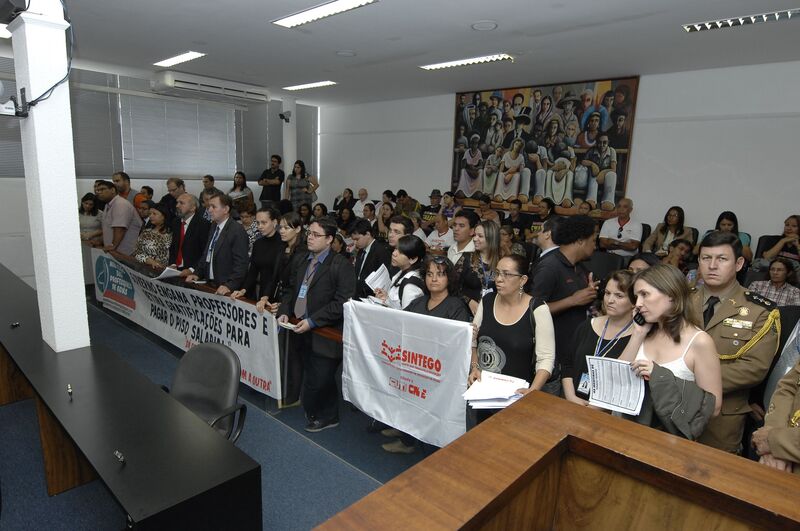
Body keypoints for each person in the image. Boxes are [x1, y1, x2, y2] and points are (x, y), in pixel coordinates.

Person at [691, 231, 781, 453]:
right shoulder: (680, 300)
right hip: (671, 404)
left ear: (739, 264)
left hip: (723, 417)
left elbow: (754, 368)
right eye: (706, 258)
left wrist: (686, 377)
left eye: (722, 259)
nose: (712, 266)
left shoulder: (760, 311)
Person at [382, 255, 473, 454]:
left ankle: (429, 448)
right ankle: (406, 436)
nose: (434, 279)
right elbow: (401, 324)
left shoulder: (456, 306)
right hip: (415, 364)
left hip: (438, 371)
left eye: (440, 274)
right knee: (409, 400)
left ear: (449, 278)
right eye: (430, 274)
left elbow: (458, 344)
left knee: (432, 409)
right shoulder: (418, 302)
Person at [277, 217, 356, 432]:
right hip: (299, 328)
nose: (310, 238)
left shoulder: (341, 265)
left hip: (326, 332)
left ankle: (328, 416)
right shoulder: (302, 259)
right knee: (310, 373)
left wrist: (313, 321)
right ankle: (318, 411)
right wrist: (285, 311)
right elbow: (291, 290)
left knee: (321, 378)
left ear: (329, 239)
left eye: (316, 235)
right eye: (309, 233)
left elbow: (342, 303)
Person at [620, 264, 722, 428]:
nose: (638, 303)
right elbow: (616, 378)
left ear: (671, 294)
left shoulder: (700, 342)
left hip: (666, 435)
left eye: (645, 294)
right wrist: (638, 334)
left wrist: (660, 376)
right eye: (636, 296)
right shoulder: (643, 332)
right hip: (624, 427)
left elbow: (714, 407)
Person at [469, 254, 556, 423]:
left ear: (523, 280)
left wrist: (533, 390)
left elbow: (546, 358)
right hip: (483, 393)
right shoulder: (487, 301)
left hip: (518, 396)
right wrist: (474, 367)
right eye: (497, 273)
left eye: (506, 274)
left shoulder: (537, 309)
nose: (499, 279)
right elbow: (473, 341)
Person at [531, 215, 599, 395]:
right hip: (554, 357)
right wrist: (572, 300)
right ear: (580, 240)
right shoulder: (549, 267)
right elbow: (531, 311)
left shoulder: (580, 268)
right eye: (593, 240)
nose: (595, 246)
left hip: (573, 351)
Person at [565, 270, 635, 406]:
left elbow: (625, 384)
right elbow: (568, 364)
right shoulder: (588, 325)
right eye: (607, 293)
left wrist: (595, 408)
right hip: (572, 402)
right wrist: (571, 397)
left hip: (607, 410)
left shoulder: (637, 337)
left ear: (634, 302)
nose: (610, 300)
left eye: (619, 296)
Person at [185, 192, 250, 295]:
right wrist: (197, 273)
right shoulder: (214, 226)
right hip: (211, 284)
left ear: (226, 209)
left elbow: (241, 264)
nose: (209, 210)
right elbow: (207, 254)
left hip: (226, 288)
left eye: (213, 207)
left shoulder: (237, 231)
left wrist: (230, 285)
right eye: (209, 207)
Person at [753, 359, 800, 473]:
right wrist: (773, 431)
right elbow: (788, 388)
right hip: (780, 466)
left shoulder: (774, 441)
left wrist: (775, 441)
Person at [230, 207, 284, 301]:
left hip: (277, 295)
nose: (260, 226)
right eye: (258, 223)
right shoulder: (258, 243)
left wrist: (266, 296)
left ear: (274, 222)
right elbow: (253, 271)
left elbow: (276, 276)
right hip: (261, 293)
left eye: (264, 223)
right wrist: (243, 290)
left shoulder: (282, 244)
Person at [453, 221, 501, 315]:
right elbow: (451, 286)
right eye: (475, 235)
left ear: (492, 238)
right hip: (465, 312)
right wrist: (469, 301)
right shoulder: (467, 258)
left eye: (480, 236)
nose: (474, 239)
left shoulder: (502, 262)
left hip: (491, 314)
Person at [374, 235, 426, 310]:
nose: (394, 253)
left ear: (413, 259)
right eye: (395, 249)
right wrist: (386, 298)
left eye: (401, 252)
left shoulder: (410, 285)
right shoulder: (402, 271)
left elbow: (406, 315)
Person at [95, 179, 142, 255]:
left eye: (102, 189)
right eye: (98, 190)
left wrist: (113, 246)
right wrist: (100, 241)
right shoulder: (108, 205)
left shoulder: (120, 204)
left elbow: (120, 228)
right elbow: (108, 228)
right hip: (115, 251)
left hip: (126, 252)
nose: (99, 192)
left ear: (113, 190)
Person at [351, 219, 393, 298]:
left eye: (357, 239)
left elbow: (385, 278)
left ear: (367, 234)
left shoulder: (381, 251)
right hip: (359, 295)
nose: (355, 243)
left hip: (374, 296)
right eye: (353, 240)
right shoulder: (361, 251)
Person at [169, 194, 211, 271]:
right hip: (175, 269)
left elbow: (205, 252)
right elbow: (173, 247)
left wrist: (192, 270)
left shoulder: (203, 225)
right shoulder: (175, 222)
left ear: (193, 208)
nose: (177, 206)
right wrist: (172, 264)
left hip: (193, 271)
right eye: (177, 202)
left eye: (181, 203)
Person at [576, 133, 617, 210]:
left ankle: (608, 200)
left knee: (612, 174)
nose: (602, 145)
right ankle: (591, 199)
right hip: (594, 178)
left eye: (604, 142)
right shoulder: (592, 150)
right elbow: (583, 161)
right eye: (599, 142)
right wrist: (592, 164)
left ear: (608, 142)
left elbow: (613, 168)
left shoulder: (612, 151)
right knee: (593, 172)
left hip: (605, 178)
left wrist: (603, 172)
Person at [132, 203, 172, 267]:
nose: (150, 216)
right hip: (141, 267)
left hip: (161, 270)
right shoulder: (146, 232)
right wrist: (147, 260)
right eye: (150, 214)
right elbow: (136, 252)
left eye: (154, 214)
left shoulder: (171, 235)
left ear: (164, 216)